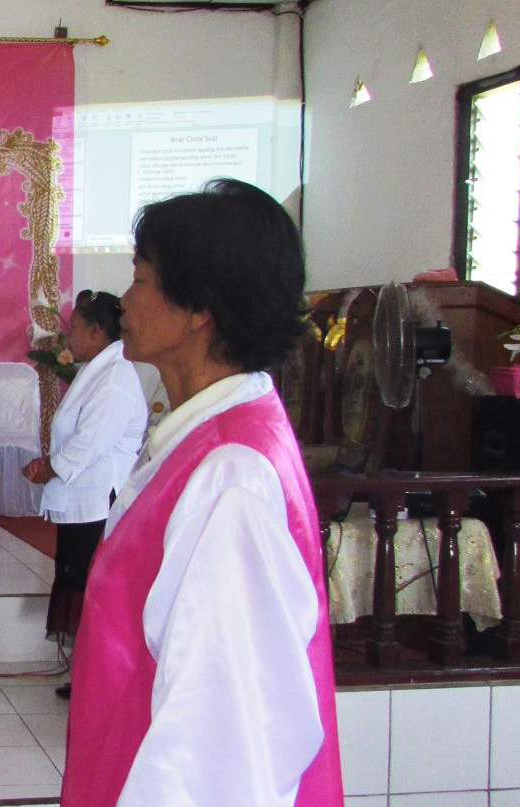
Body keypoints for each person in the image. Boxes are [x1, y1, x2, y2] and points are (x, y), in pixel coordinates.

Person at [62, 179, 343, 805]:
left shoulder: (229, 477)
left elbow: (220, 746)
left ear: (199, 307)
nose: (125, 301)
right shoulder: (217, 437)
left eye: (140, 278)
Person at [21, 289, 146, 700]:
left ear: (97, 331)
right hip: (82, 497)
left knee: (93, 587)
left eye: (74, 327)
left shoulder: (115, 379)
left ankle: (100, 679)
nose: (68, 335)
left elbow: (89, 442)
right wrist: (48, 466)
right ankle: (89, 675)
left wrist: (49, 468)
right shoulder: (98, 369)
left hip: (97, 500)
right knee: (78, 580)